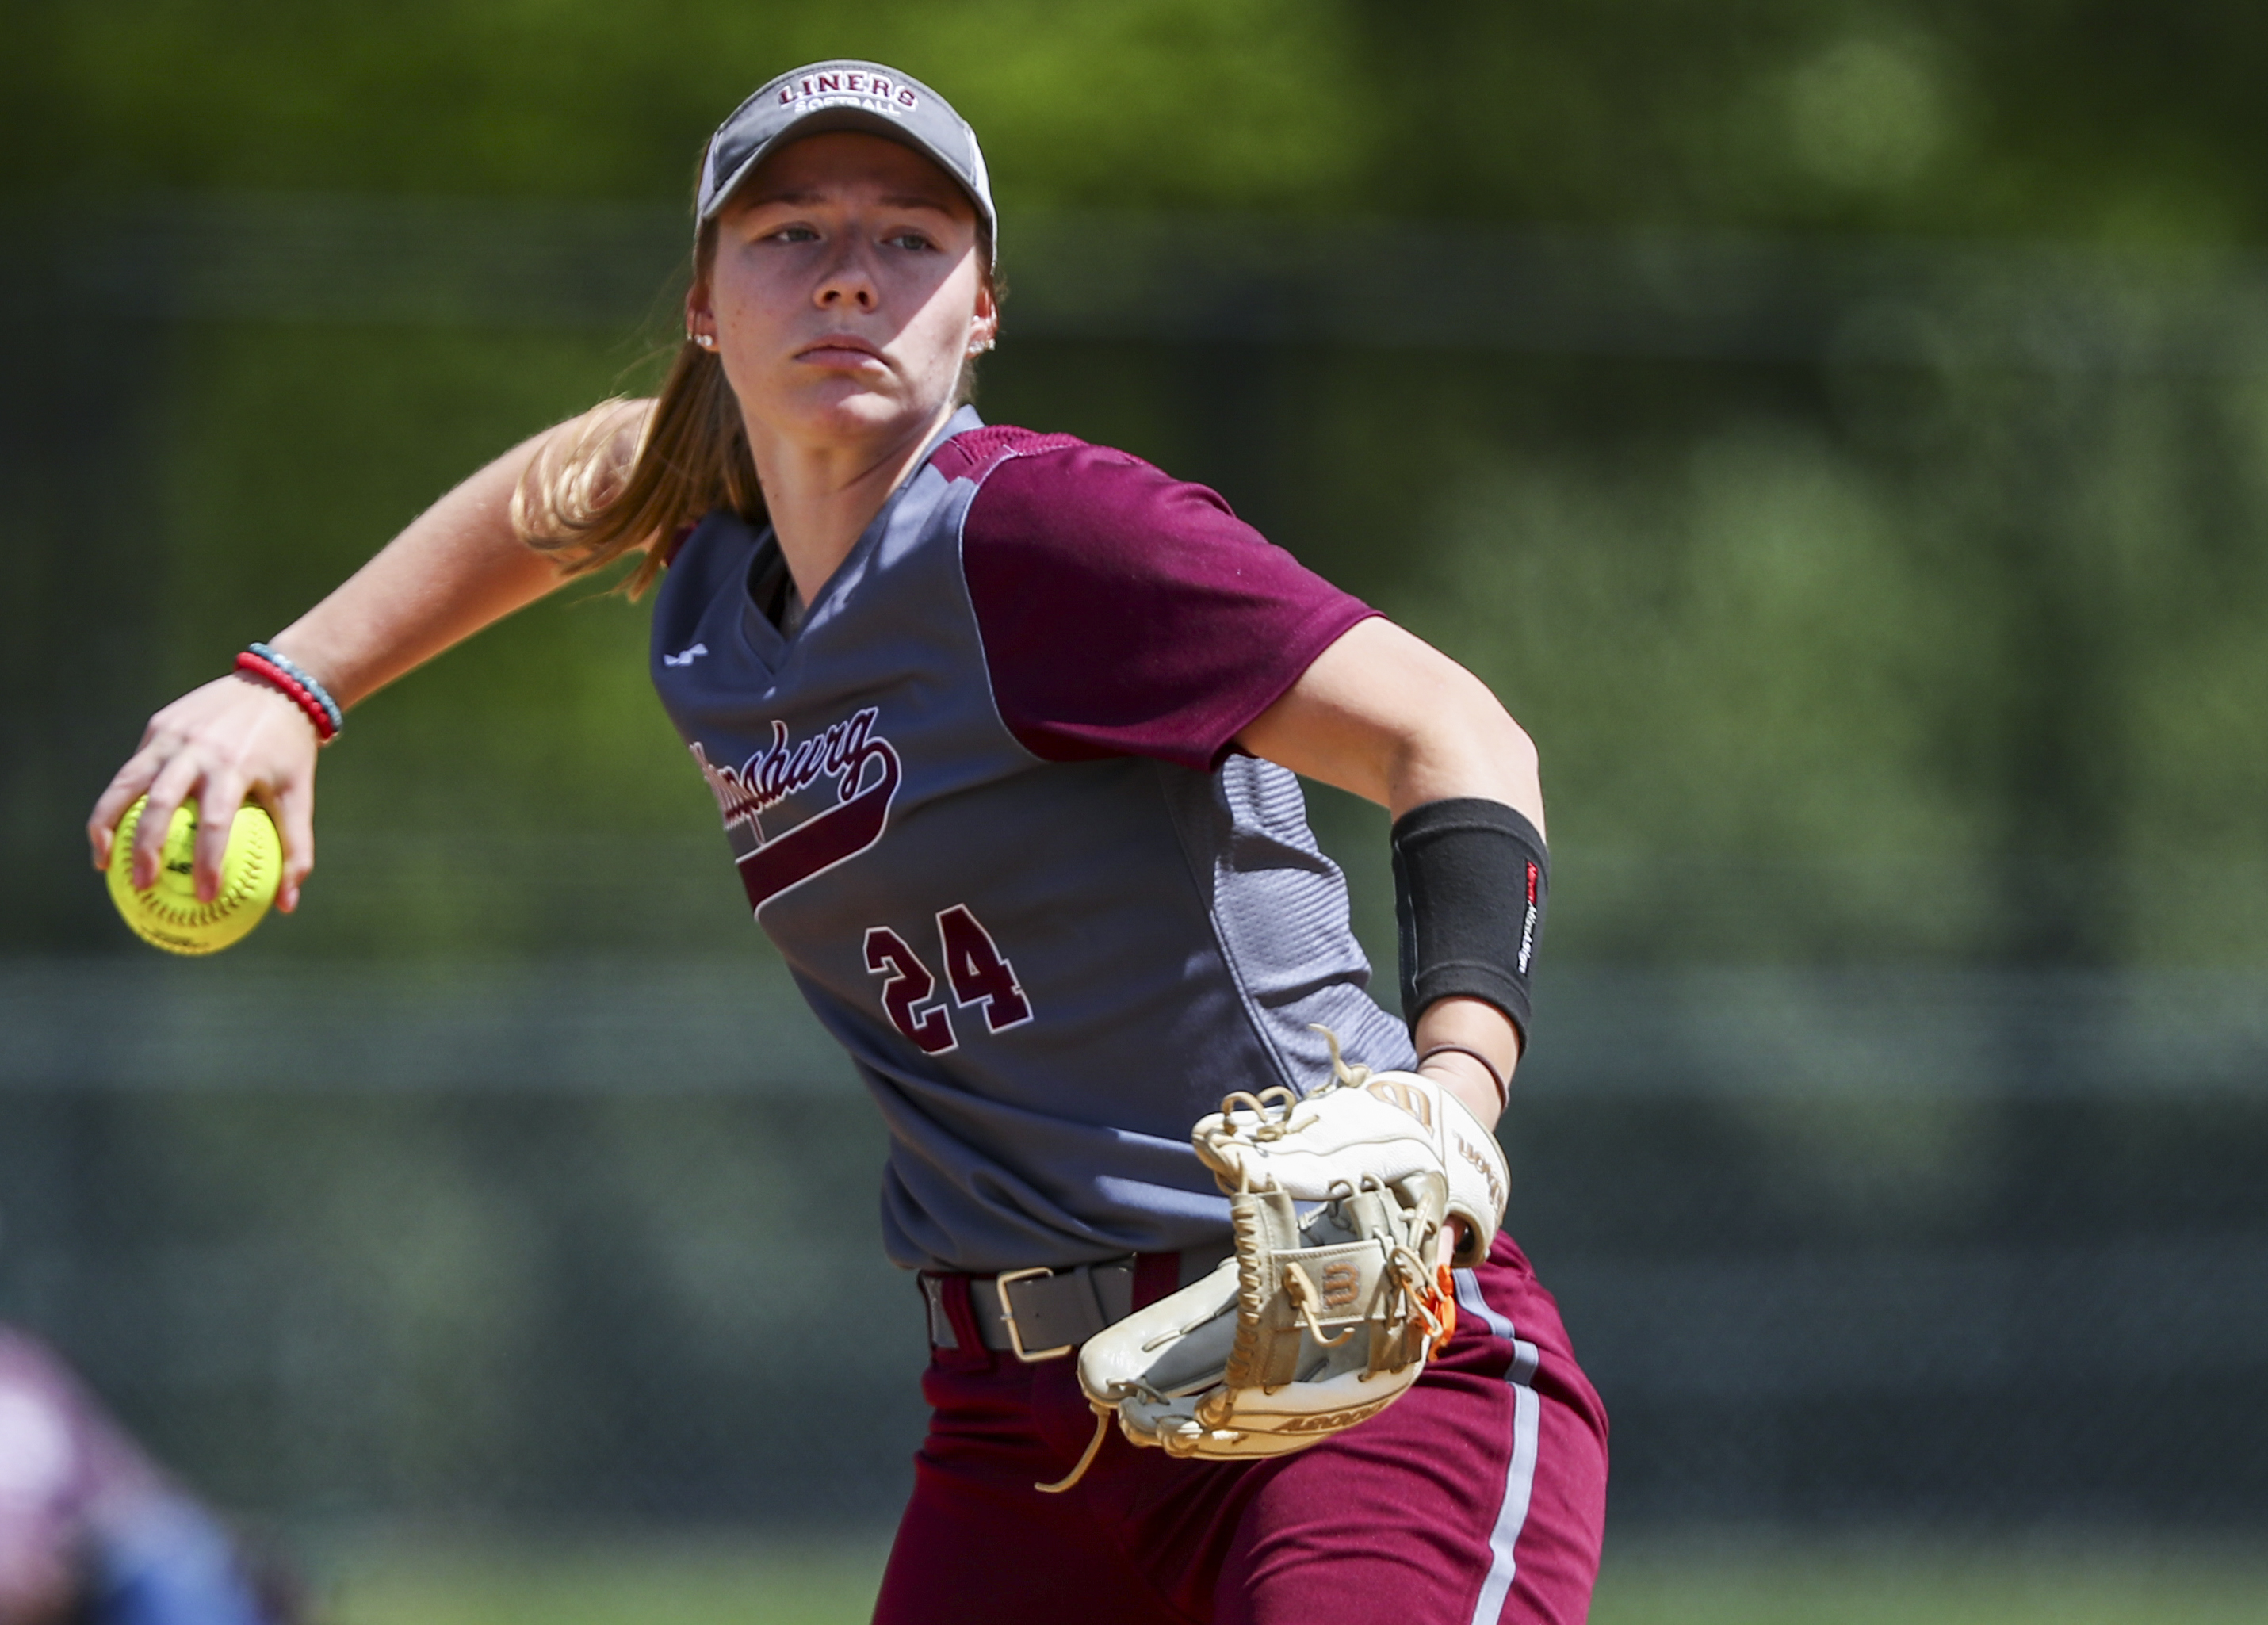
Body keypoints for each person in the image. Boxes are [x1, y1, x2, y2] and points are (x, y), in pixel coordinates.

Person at [89, 61, 1607, 1624]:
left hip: (1352, 1344)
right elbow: (586, 468)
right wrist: (291, 686)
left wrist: (1448, 1098)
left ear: (984, 310)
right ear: (702, 305)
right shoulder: (711, 566)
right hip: (1026, 1434)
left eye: (908, 237)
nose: (843, 270)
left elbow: (1458, 736)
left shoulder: (1042, 536)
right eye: (787, 229)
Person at [0, 1325, 294, 1625]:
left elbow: (121, 1489)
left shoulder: (19, 1367)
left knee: (166, 1547)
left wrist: (55, 1555)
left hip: (81, 1576)